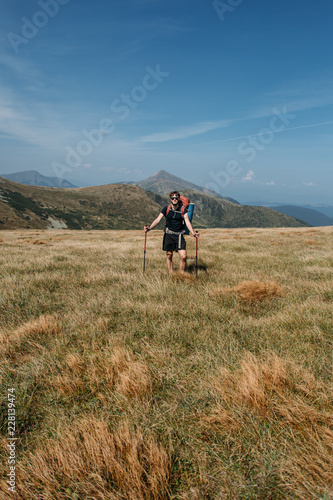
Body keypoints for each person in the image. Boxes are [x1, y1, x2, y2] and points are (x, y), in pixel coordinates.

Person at [144, 191, 199, 273]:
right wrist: (149, 228)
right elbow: (158, 219)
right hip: (169, 235)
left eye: (176, 197)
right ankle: (171, 273)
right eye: (173, 198)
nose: (174, 199)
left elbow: (187, 221)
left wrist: (193, 233)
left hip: (179, 236)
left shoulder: (183, 210)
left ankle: (181, 274)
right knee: (169, 255)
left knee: (183, 256)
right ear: (170, 199)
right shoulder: (166, 208)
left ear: (178, 199)